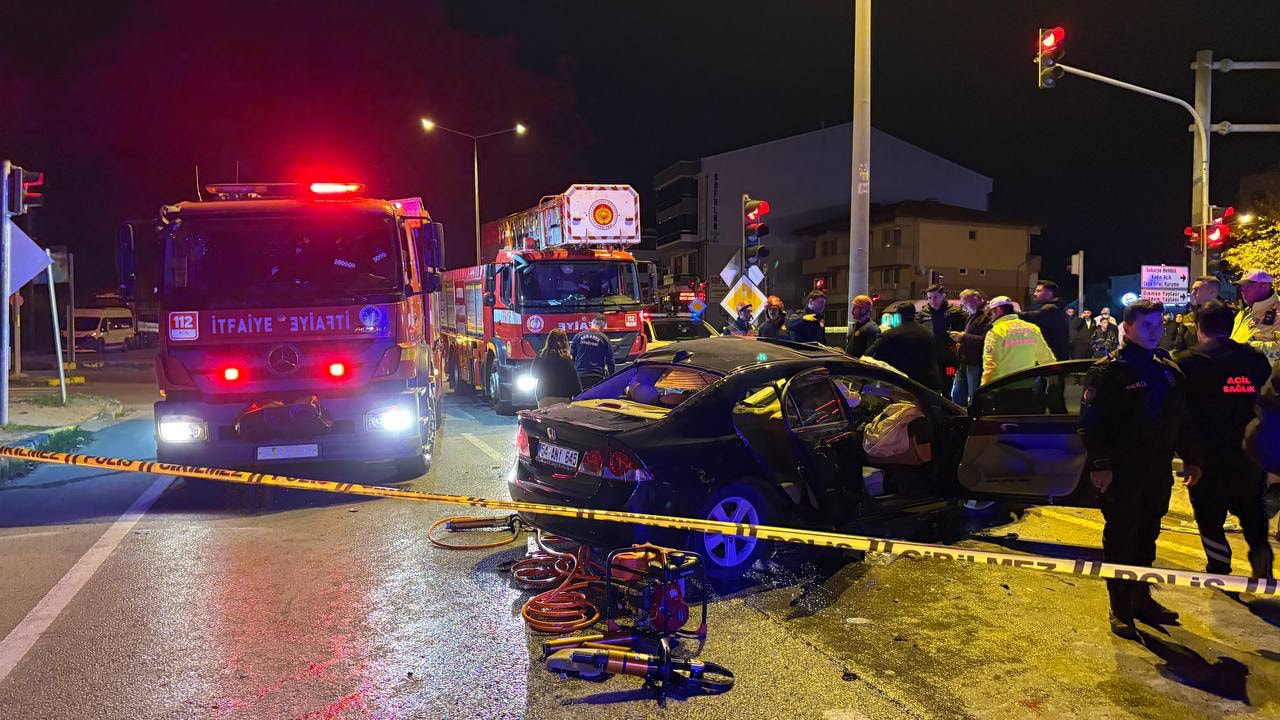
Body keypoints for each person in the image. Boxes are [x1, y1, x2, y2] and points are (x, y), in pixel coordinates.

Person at [1079, 299, 1202, 639]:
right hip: (1124, 470)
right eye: (1147, 326)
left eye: (1158, 325)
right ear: (1127, 327)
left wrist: (1192, 458)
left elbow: (1182, 419)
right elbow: (1091, 425)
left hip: (1157, 468)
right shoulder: (1108, 371)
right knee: (1121, 537)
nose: (1154, 331)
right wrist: (1100, 465)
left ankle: (1141, 599)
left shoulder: (1166, 368)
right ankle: (1120, 608)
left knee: (1148, 535)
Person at [1175, 301, 1274, 578]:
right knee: (1252, 508)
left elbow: (1178, 411)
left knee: (1208, 512)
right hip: (1249, 451)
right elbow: (1268, 400)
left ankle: (1219, 566)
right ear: (1230, 327)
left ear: (1199, 327)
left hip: (1206, 453)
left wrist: (1186, 453)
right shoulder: (1254, 359)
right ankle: (1260, 554)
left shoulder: (1187, 363)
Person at [866, 301, 942, 391]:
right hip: (930, 386)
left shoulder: (889, 335)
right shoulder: (928, 333)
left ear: (898, 316)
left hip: (903, 387)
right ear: (914, 314)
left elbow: (868, 355)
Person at [980, 296, 1055, 386]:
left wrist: (985, 387)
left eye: (992, 312)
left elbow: (990, 365)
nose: (991, 316)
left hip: (1004, 385)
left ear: (999, 310)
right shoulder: (1032, 328)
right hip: (1027, 384)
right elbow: (1046, 358)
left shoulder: (996, 332)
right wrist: (1053, 378)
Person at [947, 289, 991, 405]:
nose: (964, 308)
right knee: (957, 396)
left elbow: (986, 340)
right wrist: (961, 341)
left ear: (976, 299)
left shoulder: (988, 315)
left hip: (975, 363)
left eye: (965, 304)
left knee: (974, 397)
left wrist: (964, 336)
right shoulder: (974, 315)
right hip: (964, 361)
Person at [917, 284, 966, 382]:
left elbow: (971, 328)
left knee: (949, 384)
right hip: (931, 358)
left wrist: (961, 342)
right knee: (932, 384)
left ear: (943, 296)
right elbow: (916, 330)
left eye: (935, 297)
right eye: (929, 298)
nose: (932, 301)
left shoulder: (956, 312)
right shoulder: (923, 313)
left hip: (949, 358)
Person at [1232, 269, 1280, 365]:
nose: (1242, 290)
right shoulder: (1245, 311)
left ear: (1265, 286)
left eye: (1247, 286)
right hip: (1240, 371)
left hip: (1266, 373)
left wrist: (1250, 348)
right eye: (1241, 286)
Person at [1020, 279, 1071, 361]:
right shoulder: (1055, 308)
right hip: (1054, 357)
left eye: (1038, 291)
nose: (1035, 294)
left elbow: (1030, 316)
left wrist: (1013, 312)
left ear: (1049, 293)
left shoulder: (1050, 309)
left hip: (1053, 358)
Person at [531, 328, 582, 408]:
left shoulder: (541, 355)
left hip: (543, 396)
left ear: (548, 340)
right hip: (563, 397)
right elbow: (574, 381)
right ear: (565, 341)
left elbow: (534, 374)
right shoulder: (566, 358)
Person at [1173, 277, 1222, 353]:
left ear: (1212, 292)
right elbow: (1178, 348)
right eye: (1193, 290)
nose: (1192, 293)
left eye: (1197, 289)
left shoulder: (1228, 315)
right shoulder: (1189, 318)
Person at [571, 313, 615, 386]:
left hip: (580, 375)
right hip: (596, 376)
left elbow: (571, 357)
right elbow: (610, 361)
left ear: (592, 323)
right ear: (603, 325)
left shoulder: (578, 336)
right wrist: (612, 378)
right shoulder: (604, 339)